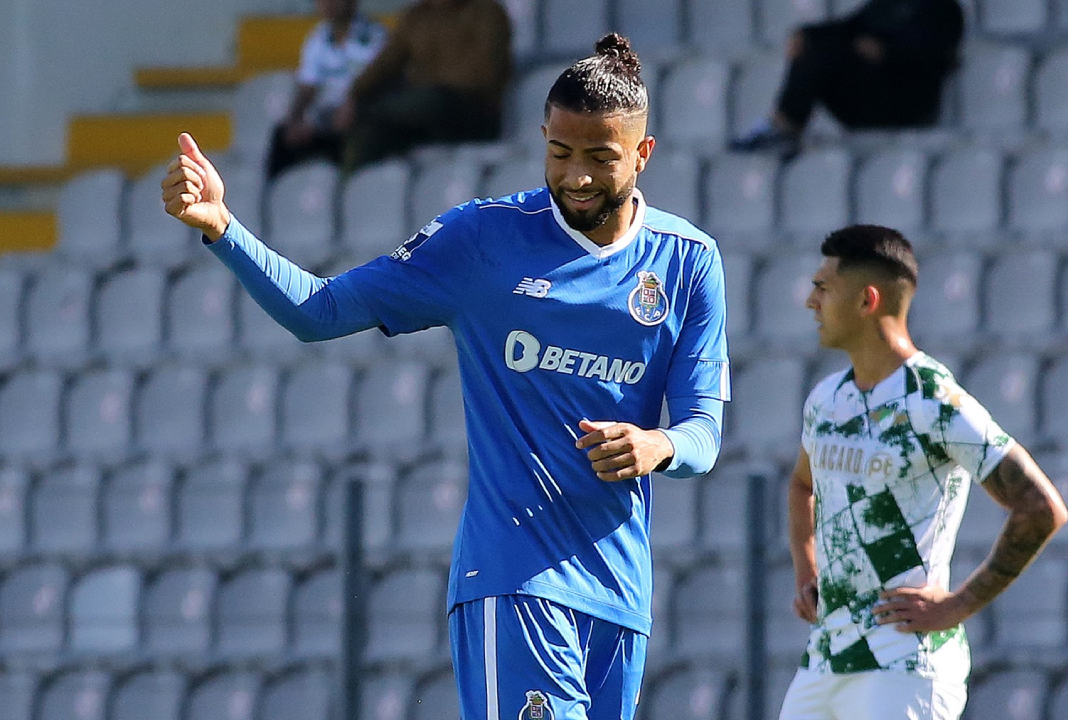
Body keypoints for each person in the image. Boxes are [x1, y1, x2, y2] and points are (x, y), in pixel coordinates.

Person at [161, 34, 729, 720]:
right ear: (542, 139)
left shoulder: (688, 261)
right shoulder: (482, 239)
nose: (577, 177)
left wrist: (657, 444)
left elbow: (703, 431)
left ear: (643, 153)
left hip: (620, 596)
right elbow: (320, 310)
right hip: (514, 579)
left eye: (600, 159)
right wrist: (223, 227)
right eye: (559, 153)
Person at [780, 225, 1068, 720]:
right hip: (824, 661)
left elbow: (1041, 507)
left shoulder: (933, 400)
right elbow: (802, 484)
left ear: (867, 300)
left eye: (823, 287)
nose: (811, 301)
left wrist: (957, 605)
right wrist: (807, 568)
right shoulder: (827, 399)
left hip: (906, 666)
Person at [731, 0, 965, 158]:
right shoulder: (886, 4)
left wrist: (887, 52)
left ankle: (785, 128)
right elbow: (848, 28)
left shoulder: (944, 9)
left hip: (906, 104)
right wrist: (806, 34)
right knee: (815, 47)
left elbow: (936, 58)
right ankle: (782, 126)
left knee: (824, 53)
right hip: (869, 100)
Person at [340, 0, 512, 173]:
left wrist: (427, 83)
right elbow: (385, 63)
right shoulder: (416, 17)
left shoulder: (487, 12)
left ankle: (370, 114)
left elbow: (484, 74)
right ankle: (353, 184)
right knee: (370, 131)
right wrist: (354, 95)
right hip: (424, 114)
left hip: (472, 113)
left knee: (429, 100)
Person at [266, 0, 387, 179]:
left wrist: (352, 106)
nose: (327, 4)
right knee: (282, 136)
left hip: (359, 115)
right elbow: (307, 87)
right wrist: (295, 119)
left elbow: (379, 84)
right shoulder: (317, 38)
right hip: (325, 118)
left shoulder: (376, 36)